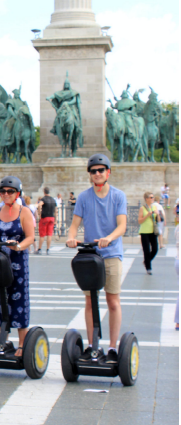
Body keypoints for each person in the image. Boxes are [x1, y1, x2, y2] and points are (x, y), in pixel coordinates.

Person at [67, 154, 127, 364]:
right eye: (94, 171)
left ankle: (112, 347)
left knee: (112, 301)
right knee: (90, 302)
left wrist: (109, 238)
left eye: (101, 170)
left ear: (108, 173)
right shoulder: (84, 197)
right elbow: (74, 224)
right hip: (91, 255)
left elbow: (122, 225)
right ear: (90, 175)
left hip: (111, 254)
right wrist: (71, 238)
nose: (98, 174)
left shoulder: (118, 196)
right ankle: (93, 346)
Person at [0, 176, 35, 357]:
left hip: (17, 262)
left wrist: (17, 246)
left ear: (18, 193)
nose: (6, 194)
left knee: (19, 301)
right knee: (1, 299)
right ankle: (3, 341)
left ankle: (22, 344)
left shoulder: (24, 212)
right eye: (3, 191)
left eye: (10, 191)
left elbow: (30, 237)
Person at [139, 191, 159, 275]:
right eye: (151, 197)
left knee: (155, 249)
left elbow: (158, 220)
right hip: (144, 231)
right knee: (146, 250)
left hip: (153, 231)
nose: (152, 199)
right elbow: (139, 221)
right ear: (146, 199)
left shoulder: (154, 207)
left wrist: (158, 215)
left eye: (153, 197)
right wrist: (147, 215)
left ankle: (146, 261)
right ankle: (148, 268)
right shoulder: (142, 208)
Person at [37, 187, 56, 255]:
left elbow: (39, 205)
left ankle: (39, 249)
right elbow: (55, 211)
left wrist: (39, 213)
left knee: (42, 235)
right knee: (49, 234)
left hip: (44, 218)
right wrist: (55, 220)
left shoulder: (43, 199)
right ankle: (48, 249)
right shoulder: (53, 200)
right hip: (52, 218)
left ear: (44, 192)